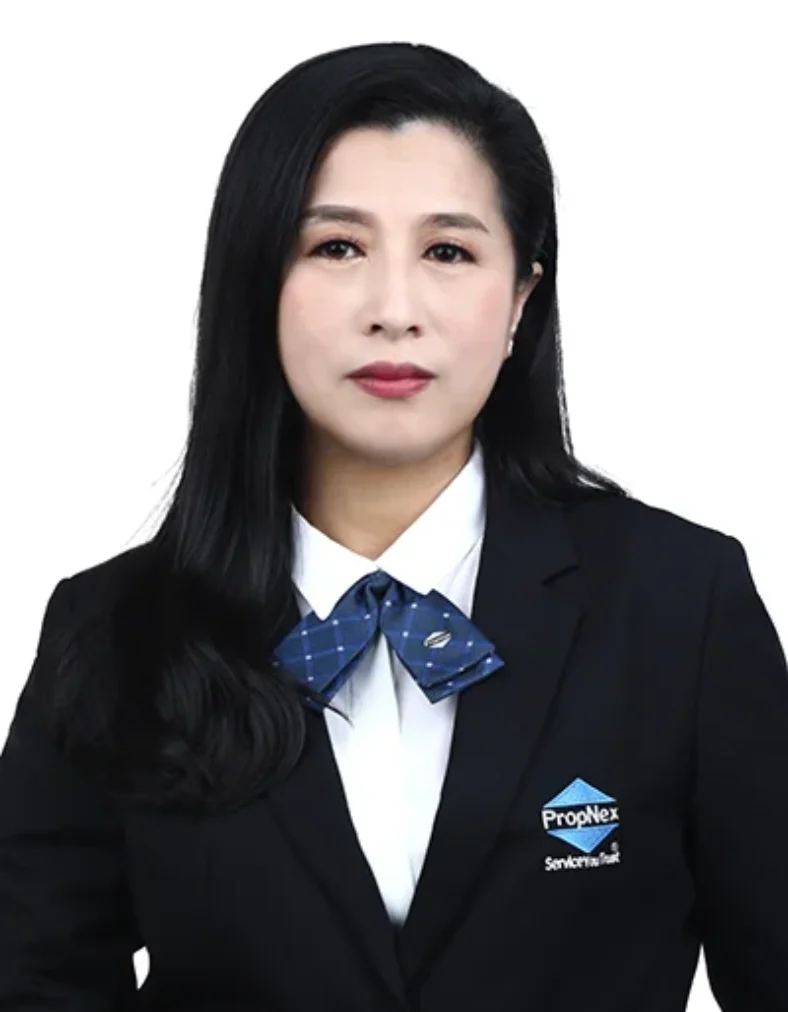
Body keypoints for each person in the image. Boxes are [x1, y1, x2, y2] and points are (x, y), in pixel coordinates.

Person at [0, 39, 785, 1012]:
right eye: (337, 247)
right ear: (256, 283)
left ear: (520, 298)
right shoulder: (116, 626)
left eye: (447, 251)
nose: (393, 309)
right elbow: (34, 980)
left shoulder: (679, 606)